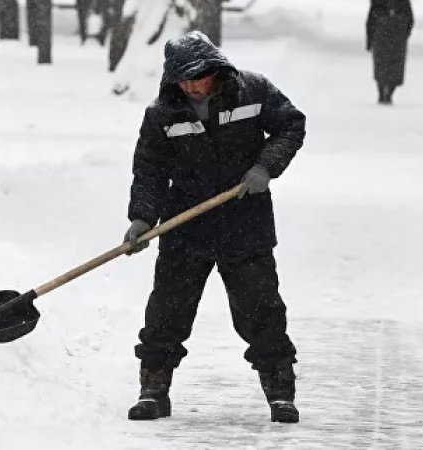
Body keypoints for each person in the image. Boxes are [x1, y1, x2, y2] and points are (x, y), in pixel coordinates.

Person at [122, 31, 306, 423]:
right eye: (184, 79)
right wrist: (142, 218)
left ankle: (280, 392)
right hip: (186, 226)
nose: (192, 86)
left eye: (198, 77)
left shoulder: (252, 91)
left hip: (245, 221)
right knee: (167, 312)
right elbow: (149, 170)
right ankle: (154, 389)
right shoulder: (163, 113)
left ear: (215, 70)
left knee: (261, 309)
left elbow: (291, 125)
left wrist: (265, 167)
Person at [366, 0, 414, 105]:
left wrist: (369, 39)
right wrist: (406, 33)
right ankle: (388, 92)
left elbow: (371, 19)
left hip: (382, 33)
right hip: (395, 35)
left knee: (382, 64)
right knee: (394, 65)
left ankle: (383, 92)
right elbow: (410, 19)